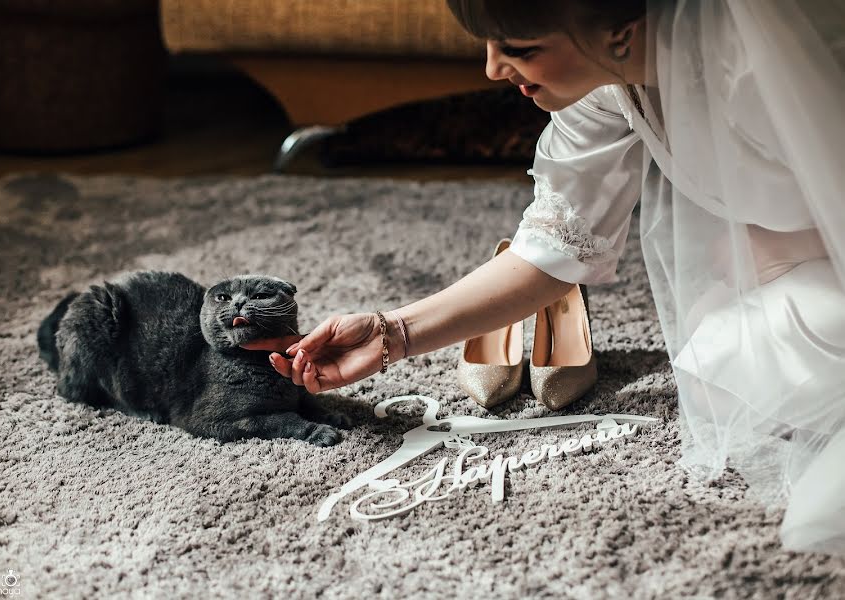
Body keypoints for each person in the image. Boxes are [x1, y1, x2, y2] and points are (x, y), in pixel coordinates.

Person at [244, 1, 845, 555]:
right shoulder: (607, 88)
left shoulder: (764, 69)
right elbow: (553, 247)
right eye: (488, 44)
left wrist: (782, 257)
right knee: (727, 361)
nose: (492, 69)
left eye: (520, 47)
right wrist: (390, 332)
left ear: (621, 31)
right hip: (800, 281)